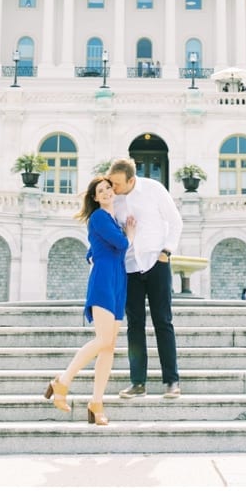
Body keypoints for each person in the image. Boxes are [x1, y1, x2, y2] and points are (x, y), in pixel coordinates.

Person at [44, 176, 135, 426]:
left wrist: (91, 254)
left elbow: (95, 247)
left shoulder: (112, 219)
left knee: (109, 347)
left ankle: (96, 403)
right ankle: (62, 382)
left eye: (108, 188)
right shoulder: (99, 217)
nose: (106, 192)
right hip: (104, 280)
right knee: (103, 340)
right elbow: (121, 243)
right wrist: (131, 234)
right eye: (100, 190)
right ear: (94, 197)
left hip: (118, 281)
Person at [108, 158, 185, 399]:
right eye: (111, 182)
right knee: (135, 326)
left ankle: (171, 381)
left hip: (156, 262)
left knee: (163, 322)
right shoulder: (114, 200)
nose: (114, 187)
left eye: (118, 183)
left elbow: (175, 221)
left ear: (131, 179)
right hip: (129, 266)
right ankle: (137, 382)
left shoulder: (153, 189)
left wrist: (167, 251)